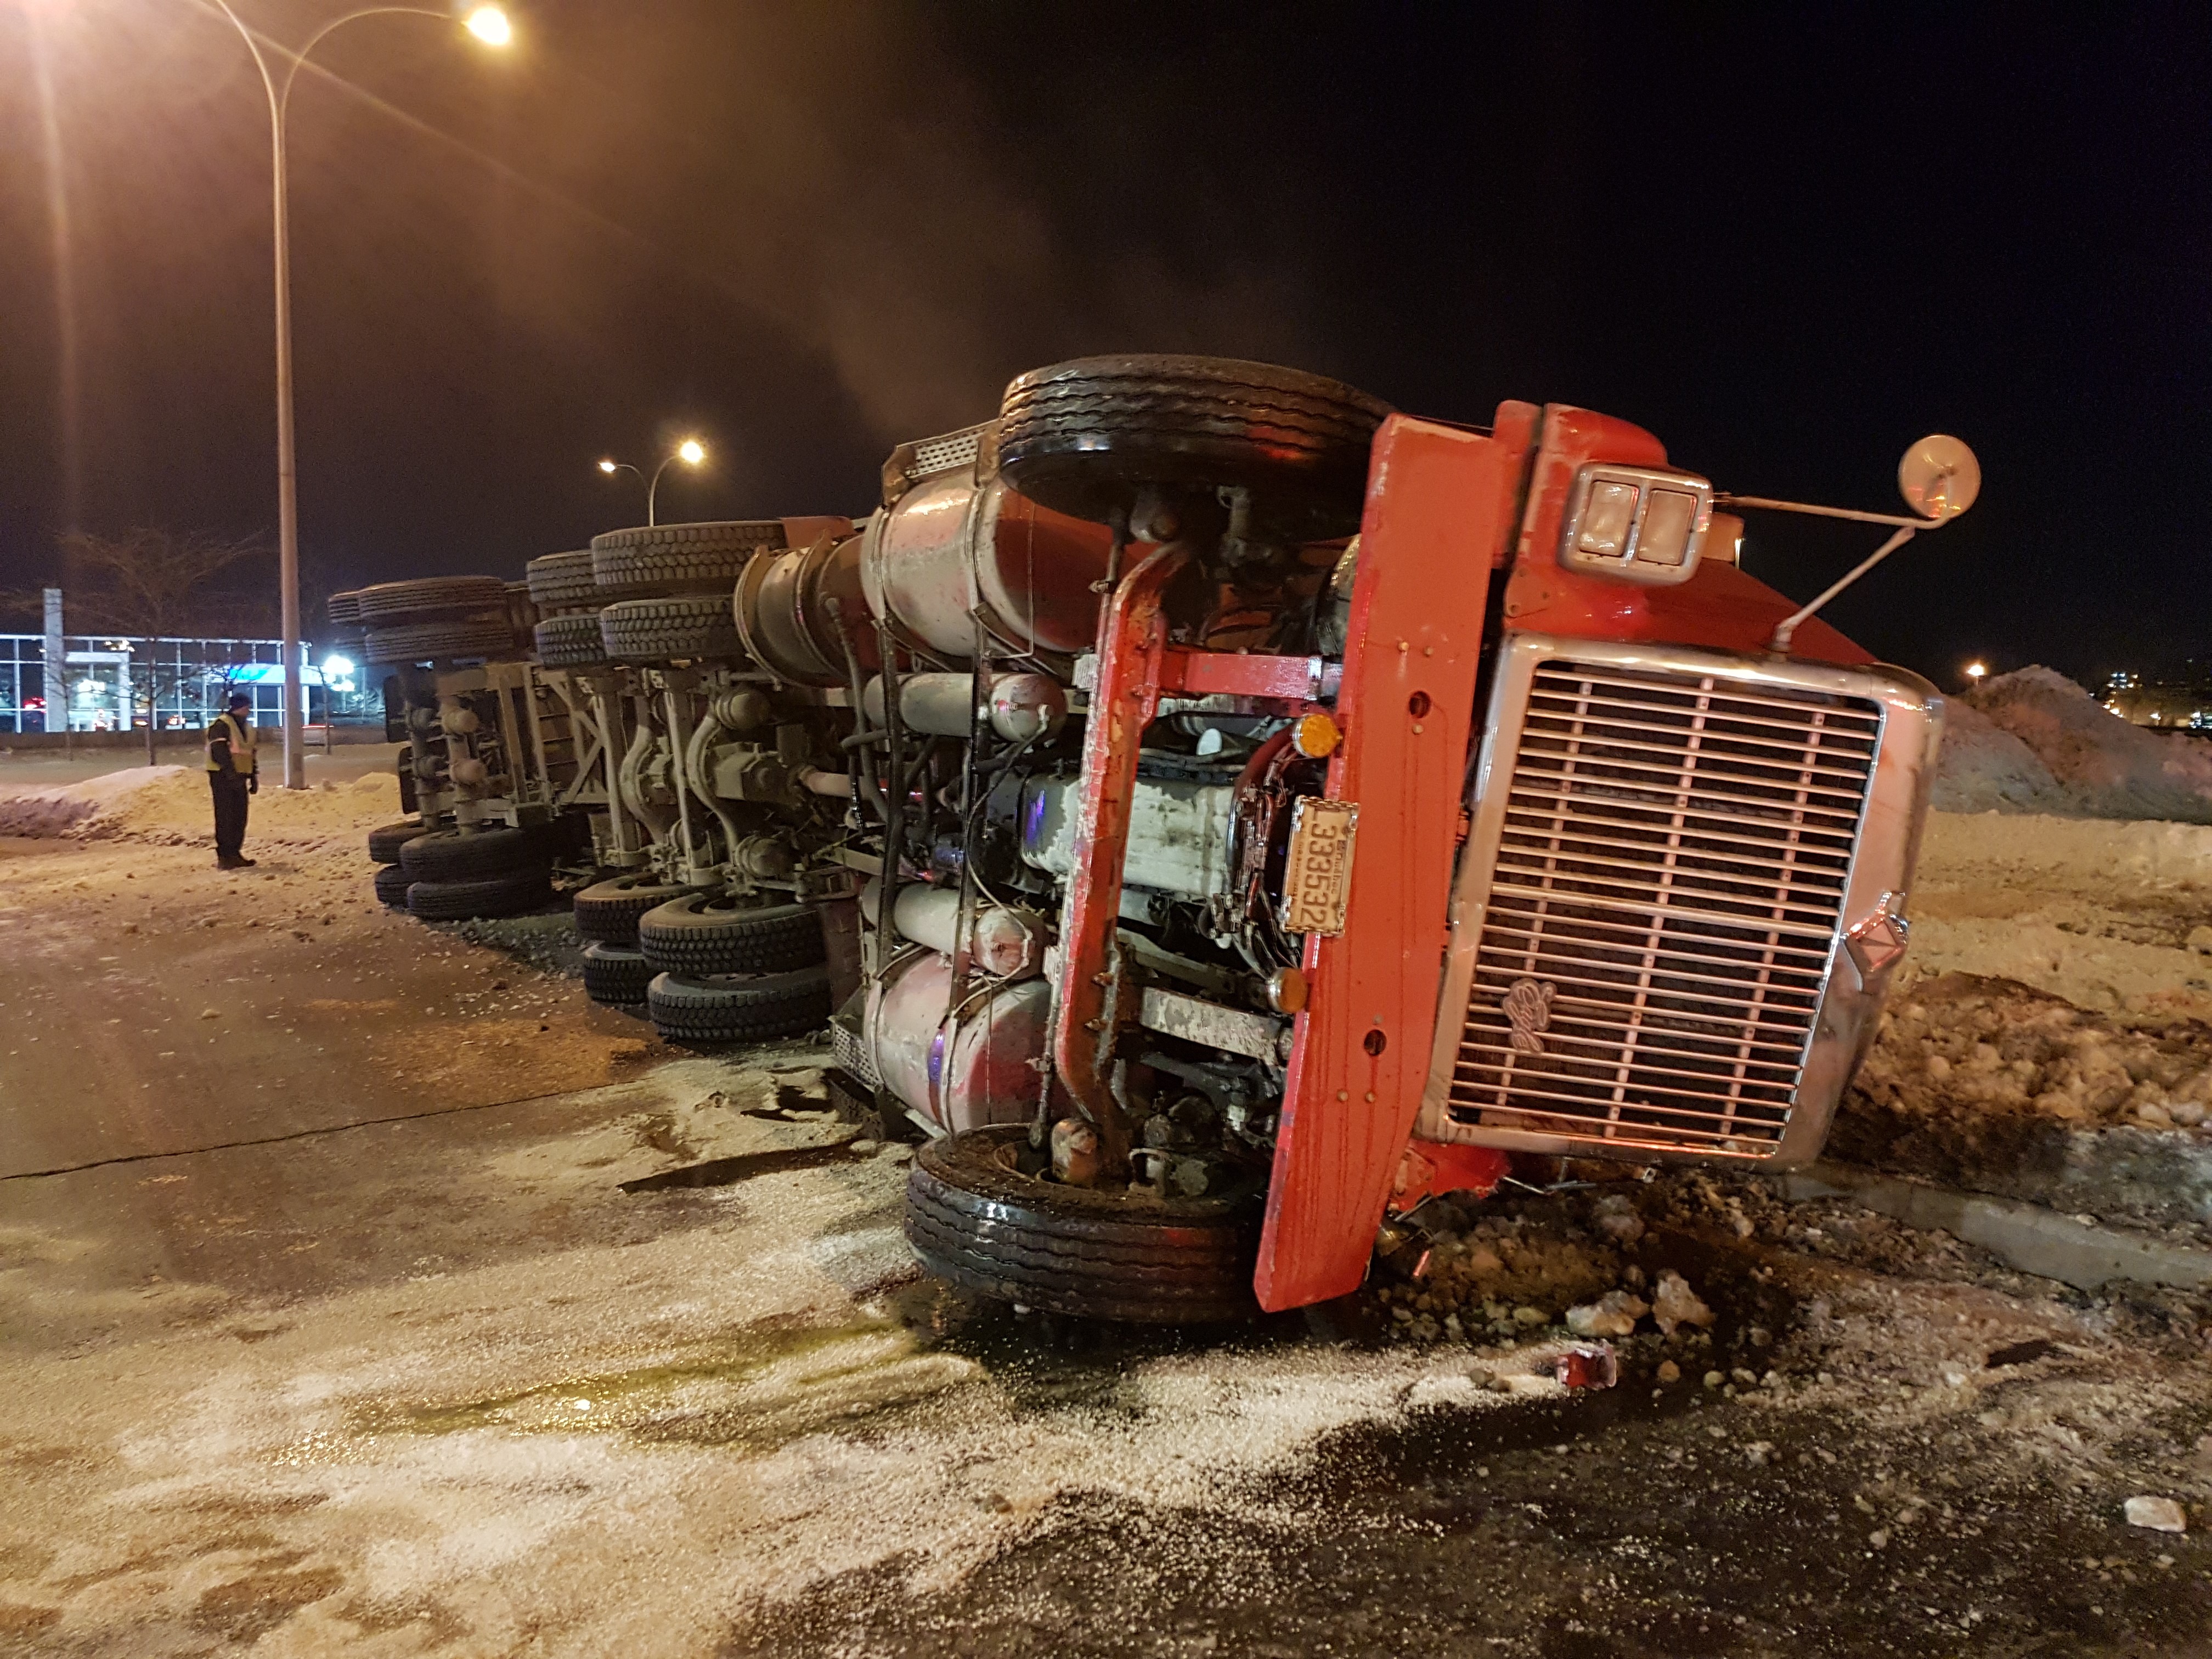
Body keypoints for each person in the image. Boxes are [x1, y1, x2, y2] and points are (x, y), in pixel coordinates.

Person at [205, 692, 259, 870]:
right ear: (239, 707)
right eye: (247, 706)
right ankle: (225, 856)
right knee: (226, 817)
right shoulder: (221, 725)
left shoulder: (247, 728)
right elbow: (219, 751)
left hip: (240, 777)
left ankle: (235, 853)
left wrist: (253, 777)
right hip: (222, 776)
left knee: (239, 817)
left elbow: (250, 753)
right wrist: (230, 774)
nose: (249, 710)